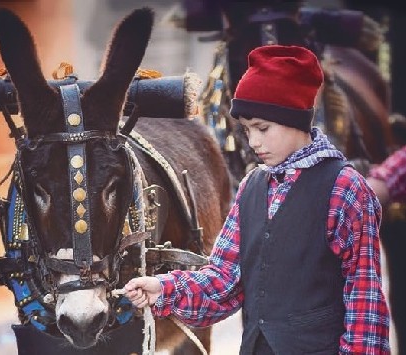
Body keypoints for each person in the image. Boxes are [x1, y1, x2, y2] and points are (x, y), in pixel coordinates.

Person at [124, 45, 390, 354]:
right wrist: (165, 289)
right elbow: (226, 279)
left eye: (263, 128)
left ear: (295, 120)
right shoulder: (253, 185)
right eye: (247, 130)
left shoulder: (345, 188)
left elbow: (364, 298)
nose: (253, 142)